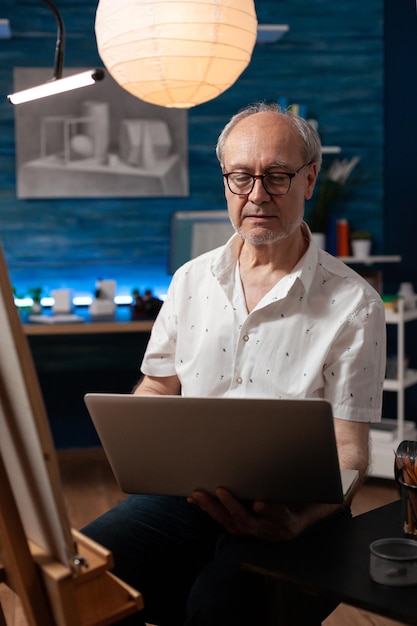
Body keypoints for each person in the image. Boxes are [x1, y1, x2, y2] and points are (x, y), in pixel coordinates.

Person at [82, 102, 386, 626]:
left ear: (309, 178)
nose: (257, 195)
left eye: (276, 176)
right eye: (241, 177)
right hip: (192, 495)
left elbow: (350, 449)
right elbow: (157, 386)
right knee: (87, 575)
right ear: (225, 181)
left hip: (299, 512)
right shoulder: (190, 281)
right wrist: (144, 450)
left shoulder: (355, 304)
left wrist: (299, 519)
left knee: (217, 606)